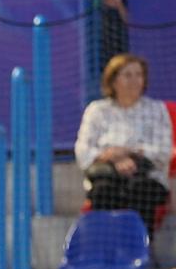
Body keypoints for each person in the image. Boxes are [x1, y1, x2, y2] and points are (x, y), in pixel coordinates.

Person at [74, 53, 172, 234]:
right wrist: (110, 157)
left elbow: (164, 150)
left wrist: (131, 153)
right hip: (107, 175)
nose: (135, 80)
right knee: (104, 190)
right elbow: (83, 151)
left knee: (140, 189)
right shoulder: (97, 110)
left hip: (147, 176)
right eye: (128, 75)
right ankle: (105, 247)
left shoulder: (157, 109)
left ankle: (140, 249)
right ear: (113, 81)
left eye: (139, 75)